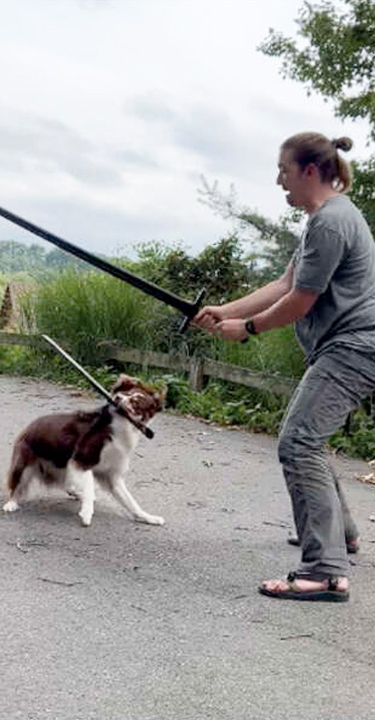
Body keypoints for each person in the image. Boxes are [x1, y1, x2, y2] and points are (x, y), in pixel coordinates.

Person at [195, 132, 375, 602]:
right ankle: (342, 537)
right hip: (346, 346)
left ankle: (325, 571)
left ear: (310, 171)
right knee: (308, 439)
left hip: (354, 348)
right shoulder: (325, 219)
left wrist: (248, 328)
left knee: (298, 442)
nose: (279, 182)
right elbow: (284, 282)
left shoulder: (331, 222)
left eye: (284, 171)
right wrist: (224, 311)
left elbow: (300, 301)